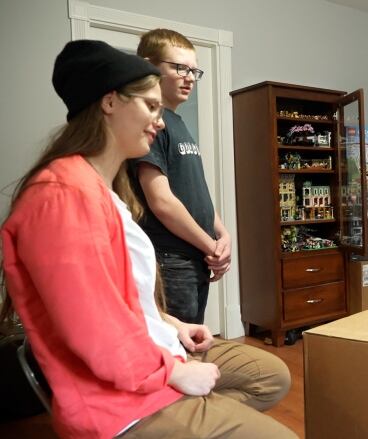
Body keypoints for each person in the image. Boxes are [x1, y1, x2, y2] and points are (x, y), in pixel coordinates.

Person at [1, 40, 296, 439]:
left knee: (270, 375)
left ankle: (201, 415)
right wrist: (175, 372)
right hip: (118, 403)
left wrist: (171, 324)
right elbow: (96, 332)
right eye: (151, 107)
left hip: (154, 352)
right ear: (109, 102)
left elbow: (121, 300)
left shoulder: (105, 190)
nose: (159, 121)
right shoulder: (61, 196)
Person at [129, 28, 229, 324]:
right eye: (180, 67)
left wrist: (223, 235)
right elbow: (161, 201)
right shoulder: (151, 123)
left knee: (193, 343)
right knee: (179, 352)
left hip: (195, 256)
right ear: (150, 67)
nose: (189, 77)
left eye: (194, 70)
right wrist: (211, 246)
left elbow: (194, 191)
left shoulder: (177, 122)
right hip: (171, 260)